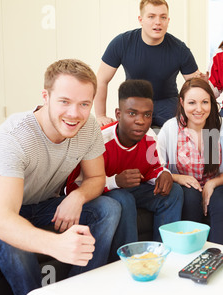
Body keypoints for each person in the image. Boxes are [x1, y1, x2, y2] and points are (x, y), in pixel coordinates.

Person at [0, 59, 122, 295]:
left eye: (84, 104)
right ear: (46, 96)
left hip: (41, 204)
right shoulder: (12, 136)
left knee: (108, 208)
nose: (74, 114)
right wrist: (57, 245)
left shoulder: (88, 128)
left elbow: (96, 177)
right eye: (64, 101)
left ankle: (79, 292)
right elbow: (3, 220)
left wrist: (77, 197)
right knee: (12, 236)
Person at [66, 79, 183, 260]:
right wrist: (114, 181)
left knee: (174, 191)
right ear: (118, 114)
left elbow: (154, 168)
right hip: (103, 195)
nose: (140, 121)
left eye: (147, 115)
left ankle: (163, 257)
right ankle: (129, 261)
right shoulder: (100, 140)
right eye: (132, 113)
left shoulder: (150, 137)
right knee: (123, 197)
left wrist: (164, 174)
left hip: (134, 191)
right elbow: (74, 186)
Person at [157, 78, 223, 246]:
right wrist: (177, 178)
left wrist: (213, 183)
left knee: (219, 198)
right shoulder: (171, 128)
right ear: (181, 102)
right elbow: (156, 167)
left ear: (212, 103)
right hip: (186, 188)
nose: (199, 109)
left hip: (217, 186)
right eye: (192, 103)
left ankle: (221, 252)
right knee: (190, 195)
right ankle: (191, 250)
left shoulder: (220, 125)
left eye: (205, 102)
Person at [95, 0, 206, 128]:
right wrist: (100, 115)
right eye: (151, 16)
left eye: (163, 17)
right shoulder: (122, 42)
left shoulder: (180, 49)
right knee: (128, 136)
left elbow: (194, 86)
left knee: (176, 133)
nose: (158, 22)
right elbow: (101, 79)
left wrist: (204, 83)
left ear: (168, 21)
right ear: (141, 19)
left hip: (167, 103)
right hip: (134, 100)